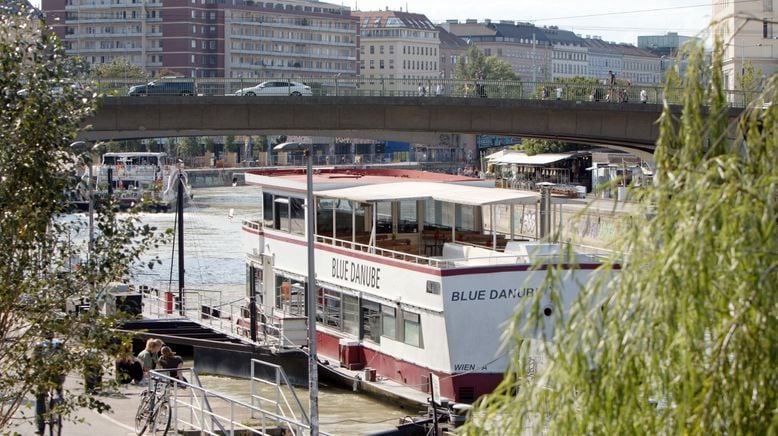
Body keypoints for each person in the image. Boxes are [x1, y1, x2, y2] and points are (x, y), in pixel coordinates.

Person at [33, 334, 65, 435]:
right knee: (59, 387)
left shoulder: (39, 345)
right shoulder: (59, 344)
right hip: (58, 376)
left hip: (44, 376)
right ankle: (60, 398)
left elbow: (35, 361)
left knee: (40, 397)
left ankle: (40, 427)